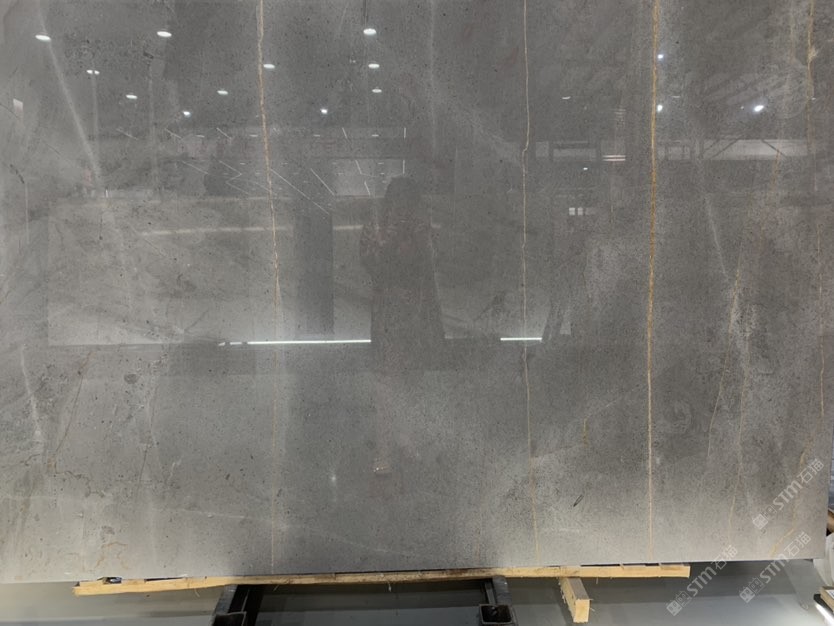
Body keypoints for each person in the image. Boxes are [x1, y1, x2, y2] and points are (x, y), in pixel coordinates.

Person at [360, 177, 444, 475]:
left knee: (411, 379)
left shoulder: (421, 225)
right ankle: (383, 449)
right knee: (387, 383)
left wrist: (420, 236)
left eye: (408, 204)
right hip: (390, 313)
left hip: (414, 312)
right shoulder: (378, 226)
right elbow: (371, 263)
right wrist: (390, 240)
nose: (403, 209)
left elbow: (433, 262)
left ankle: (405, 438)